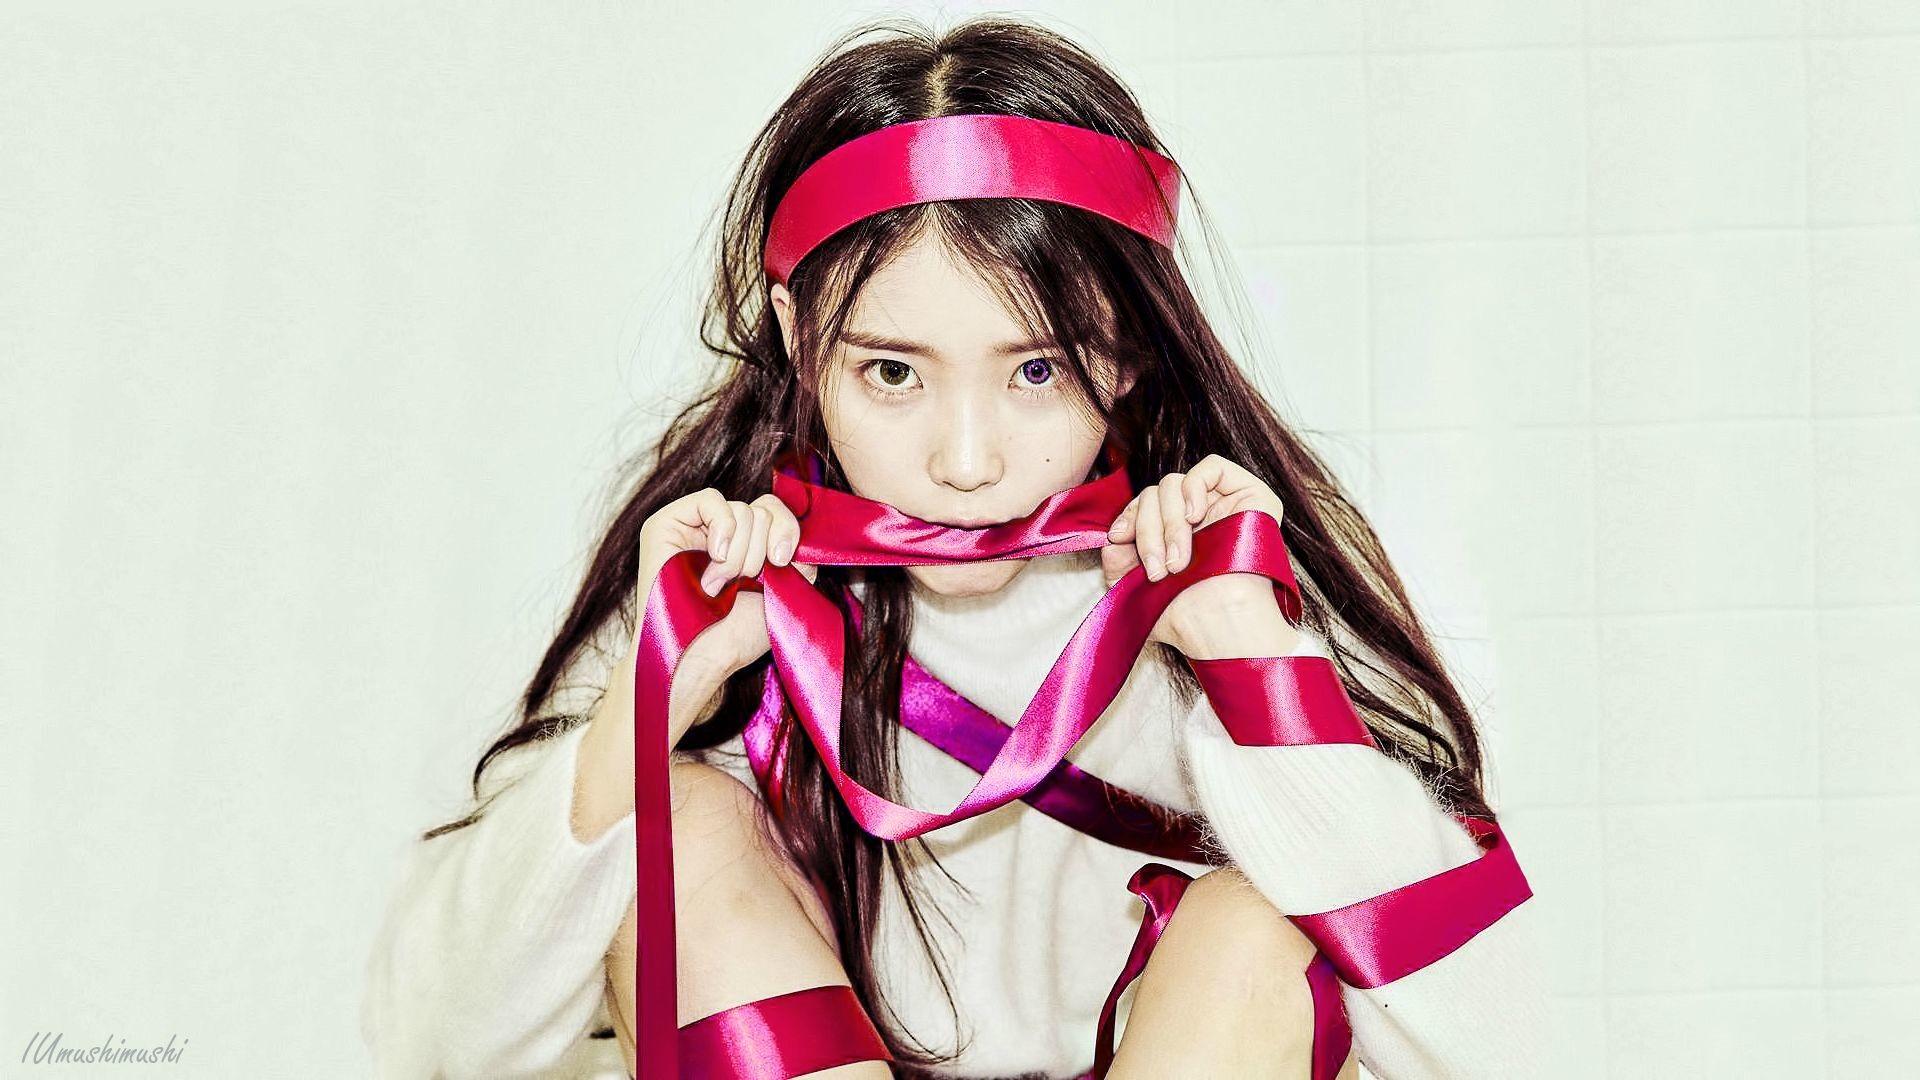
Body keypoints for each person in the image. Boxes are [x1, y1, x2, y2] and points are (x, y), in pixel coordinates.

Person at [361, 15, 1551, 1080]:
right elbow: (437, 1041)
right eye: (893, 372)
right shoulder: (713, 558)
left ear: (1128, 348)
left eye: (1036, 369)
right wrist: (651, 702)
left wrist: (1257, 665)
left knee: (1262, 916)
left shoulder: (1231, 555)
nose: (967, 461)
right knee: (682, 819)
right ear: (798, 334)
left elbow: (1499, 1048)